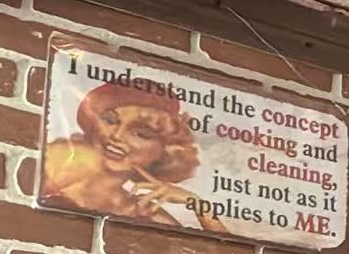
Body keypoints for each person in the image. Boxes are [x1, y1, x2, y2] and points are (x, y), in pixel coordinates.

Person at [40, 80, 227, 234]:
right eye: (110, 121)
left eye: (141, 133)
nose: (117, 136)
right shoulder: (54, 164)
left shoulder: (147, 214)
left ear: (164, 152)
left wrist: (197, 204)